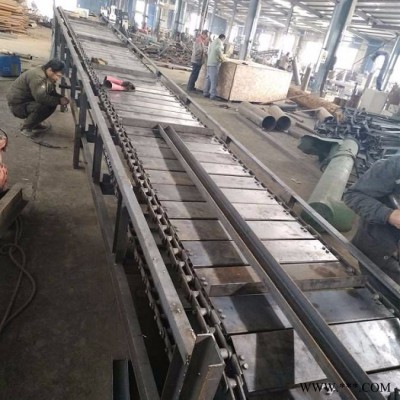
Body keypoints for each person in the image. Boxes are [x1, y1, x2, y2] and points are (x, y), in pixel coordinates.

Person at [343, 157, 400, 284]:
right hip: (381, 252)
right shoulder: (394, 166)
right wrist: (388, 215)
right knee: (382, 290)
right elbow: (353, 195)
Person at [6, 59, 70, 138]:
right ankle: (25, 128)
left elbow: (51, 93)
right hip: (17, 105)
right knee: (44, 105)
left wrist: (60, 97)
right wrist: (59, 100)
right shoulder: (37, 77)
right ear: (50, 70)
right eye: (58, 76)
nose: (58, 78)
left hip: (28, 100)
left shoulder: (46, 74)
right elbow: (40, 98)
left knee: (51, 103)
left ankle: (34, 124)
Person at [203, 33, 226, 100]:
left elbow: (209, 51)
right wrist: (222, 58)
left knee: (208, 78)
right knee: (214, 80)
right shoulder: (219, 42)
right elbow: (218, 50)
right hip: (214, 63)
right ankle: (212, 95)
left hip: (209, 62)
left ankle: (205, 92)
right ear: (223, 38)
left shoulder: (213, 42)